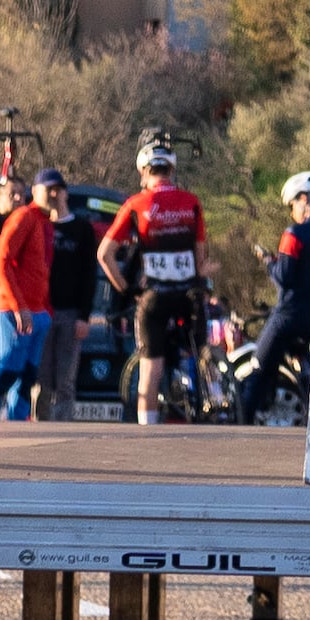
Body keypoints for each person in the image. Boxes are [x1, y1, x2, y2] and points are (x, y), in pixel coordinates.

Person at [103, 137, 210, 422]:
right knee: (200, 355)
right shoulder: (191, 202)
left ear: (143, 172)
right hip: (188, 296)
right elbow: (200, 258)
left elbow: (105, 255)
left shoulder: (136, 204)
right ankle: (207, 396)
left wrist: (127, 290)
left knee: (150, 373)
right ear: (172, 171)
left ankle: (147, 434)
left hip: (154, 297)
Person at [0, 168, 67, 421]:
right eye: (48, 189)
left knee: (28, 373)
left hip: (36, 310)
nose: (53, 194)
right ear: (36, 192)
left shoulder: (42, 222)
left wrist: (44, 310)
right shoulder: (23, 218)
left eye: (58, 189)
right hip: (14, 308)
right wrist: (17, 307)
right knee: (8, 369)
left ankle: (17, 422)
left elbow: (41, 271)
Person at [230, 169, 310, 422]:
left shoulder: (294, 234)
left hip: (290, 315)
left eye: (292, 204)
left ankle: (241, 428)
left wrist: (270, 262)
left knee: (259, 370)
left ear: (304, 199)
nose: (292, 210)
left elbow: (284, 276)